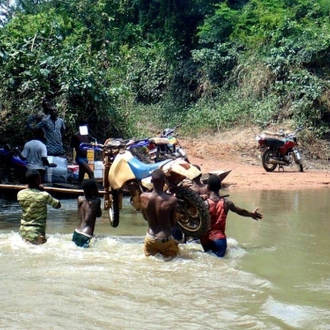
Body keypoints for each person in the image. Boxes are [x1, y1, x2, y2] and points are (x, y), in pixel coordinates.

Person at [201, 175, 263, 258]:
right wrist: (252, 214)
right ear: (220, 187)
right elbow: (241, 212)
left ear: (208, 187)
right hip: (220, 240)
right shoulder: (227, 203)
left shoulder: (204, 204)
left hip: (206, 240)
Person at [140, 169, 179, 259]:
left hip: (150, 238)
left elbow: (145, 218)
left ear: (151, 181)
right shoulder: (172, 200)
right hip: (165, 241)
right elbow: (173, 223)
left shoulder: (143, 197)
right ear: (164, 182)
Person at [17, 169, 61, 245]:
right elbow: (57, 205)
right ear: (37, 180)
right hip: (37, 233)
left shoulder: (20, 194)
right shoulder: (44, 195)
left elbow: (30, 197)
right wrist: (42, 191)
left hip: (22, 232)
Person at [72, 179, 102, 248]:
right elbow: (99, 214)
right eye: (96, 188)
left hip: (77, 232)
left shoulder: (79, 199)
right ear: (92, 190)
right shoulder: (97, 201)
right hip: (86, 235)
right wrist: (97, 196)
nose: (97, 190)